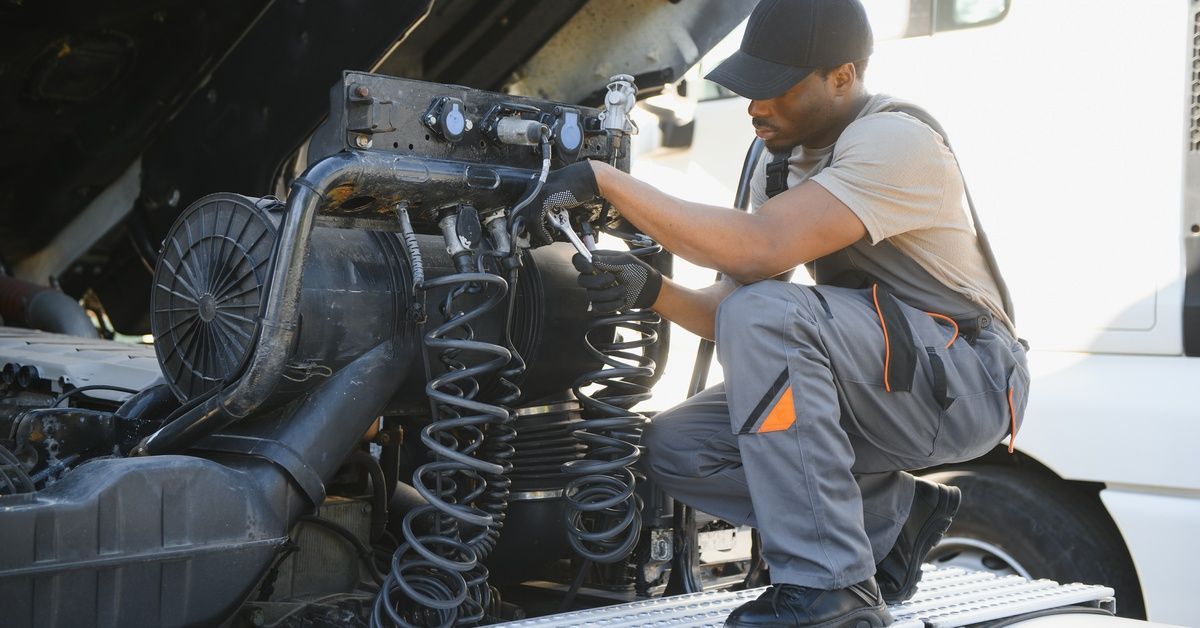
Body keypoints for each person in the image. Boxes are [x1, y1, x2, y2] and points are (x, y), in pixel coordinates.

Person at [524, 0, 1030, 625]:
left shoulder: (895, 140)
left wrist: (606, 181)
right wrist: (649, 288)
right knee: (678, 448)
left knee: (767, 312)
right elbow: (732, 313)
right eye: (748, 89)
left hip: (969, 383)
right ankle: (890, 518)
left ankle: (829, 590)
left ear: (842, 77)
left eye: (774, 89)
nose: (755, 107)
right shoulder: (782, 161)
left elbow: (763, 250)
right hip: (883, 380)